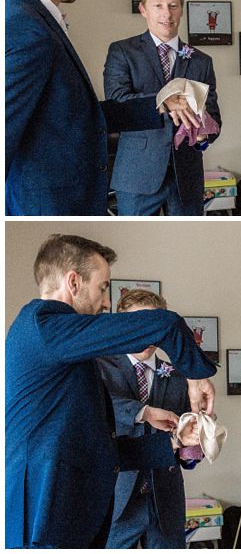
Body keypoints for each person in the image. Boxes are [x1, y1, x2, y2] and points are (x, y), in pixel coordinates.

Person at [5, 234, 215, 550]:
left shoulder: (68, 351)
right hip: (44, 520)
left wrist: (174, 441)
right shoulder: (42, 326)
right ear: (73, 282)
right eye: (103, 288)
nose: (106, 303)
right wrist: (196, 375)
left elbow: (100, 449)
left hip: (72, 519)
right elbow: (166, 324)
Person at [5, 0, 201, 215]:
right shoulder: (27, 29)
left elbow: (75, 115)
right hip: (49, 205)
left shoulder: (33, 19)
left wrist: (159, 103)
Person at [104, 0, 222, 216]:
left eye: (173, 6)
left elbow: (214, 119)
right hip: (137, 176)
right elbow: (116, 105)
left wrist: (203, 138)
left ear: (181, 10)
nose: (166, 14)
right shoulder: (122, 52)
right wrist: (162, 102)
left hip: (186, 178)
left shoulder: (201, 61)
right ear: (143, 9)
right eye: (158, 6)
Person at [97, 290, 206, 549]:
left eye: (153, 327)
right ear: (122, 325)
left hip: (165, 497)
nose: (146, 335)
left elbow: (185, 449)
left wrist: (197, 442)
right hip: (115, 497)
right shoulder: (98, 367)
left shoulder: (181, 378)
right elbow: (103, 406)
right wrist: (143, 412)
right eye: (138, 326)